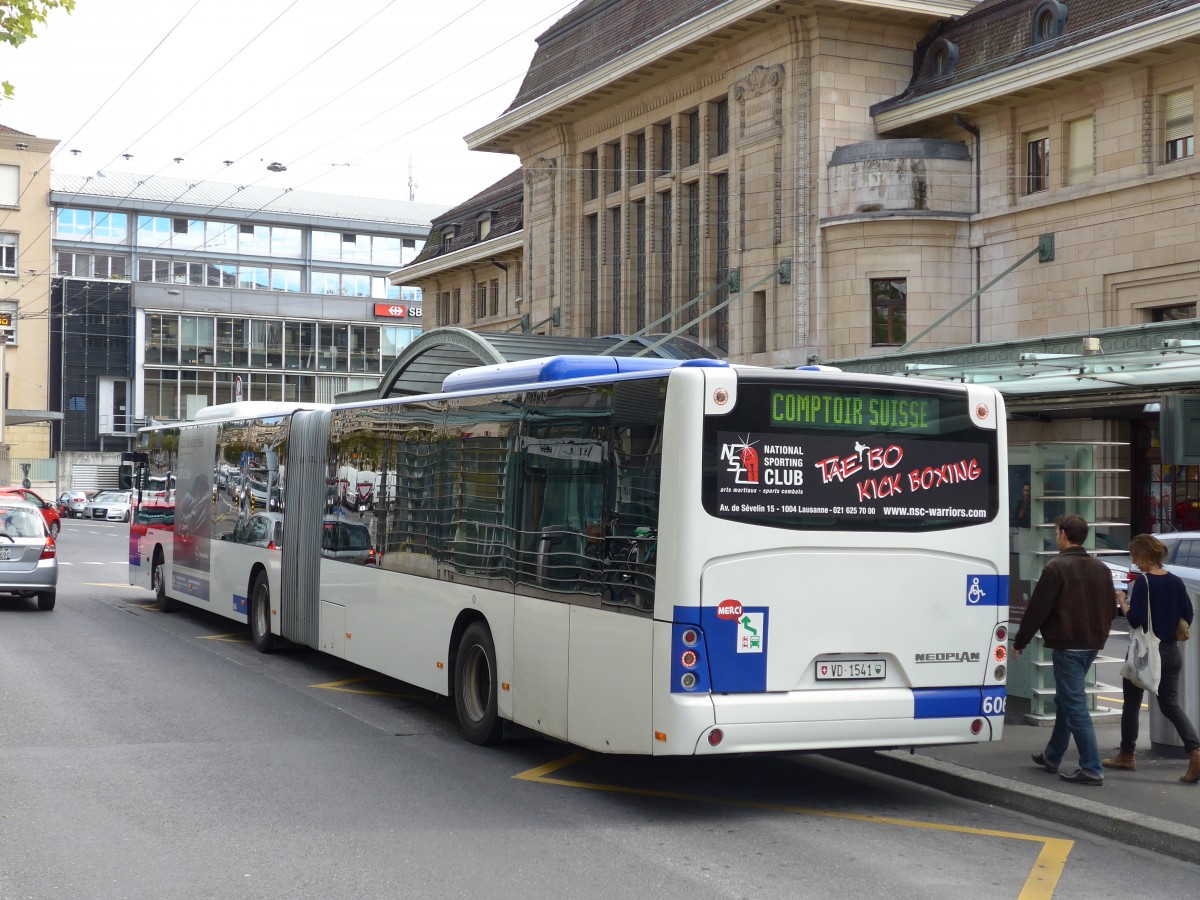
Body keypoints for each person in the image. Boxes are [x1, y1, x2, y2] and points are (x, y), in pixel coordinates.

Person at [1013, 513, 1116, 786]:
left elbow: (1037, 610)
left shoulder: (1056, 568)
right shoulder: (1101, 568)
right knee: (1066, 702)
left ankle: (1092, 767)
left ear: (1062, 534)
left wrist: (1020, 641)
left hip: (1069, 644)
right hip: (1091, 643)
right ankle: (1052, 755)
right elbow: (1111, 607)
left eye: (1057, 531)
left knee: (1075, 705)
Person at [1103, 534, 1200, 783]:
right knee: (1170, 705)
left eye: (1134, 555)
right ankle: (1195, 751)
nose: (1133, 561)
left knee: (1132, 704)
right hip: (1170, 652)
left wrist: (1122, 602)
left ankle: (1127, 755)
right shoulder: (1177, 582)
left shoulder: (1144, 582)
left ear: (1144, 555)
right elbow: (1188, 614)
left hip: (1144, 654)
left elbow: (1136, 619)